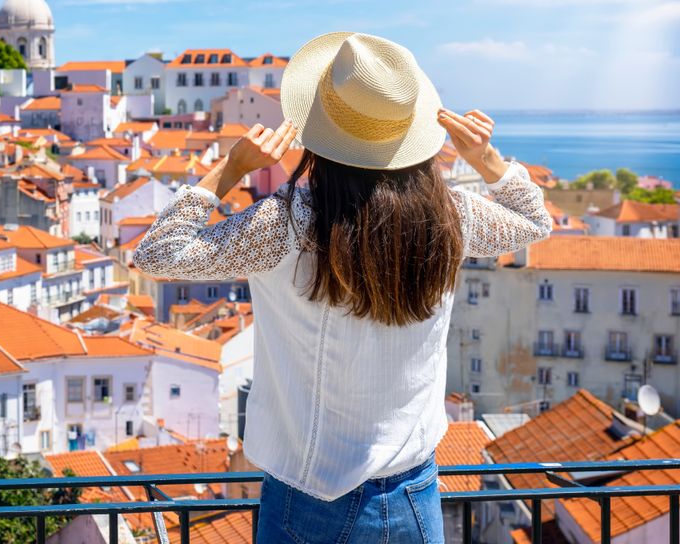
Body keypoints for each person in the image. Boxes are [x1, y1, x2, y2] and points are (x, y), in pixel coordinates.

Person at [133, 32, 553, 543]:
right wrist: (487, 159)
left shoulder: (283, 225)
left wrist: (231, 168)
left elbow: (157, 253)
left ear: (320, 132)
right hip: (414, 496)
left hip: (307, 500)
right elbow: (533, 222)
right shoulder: (450, 216)